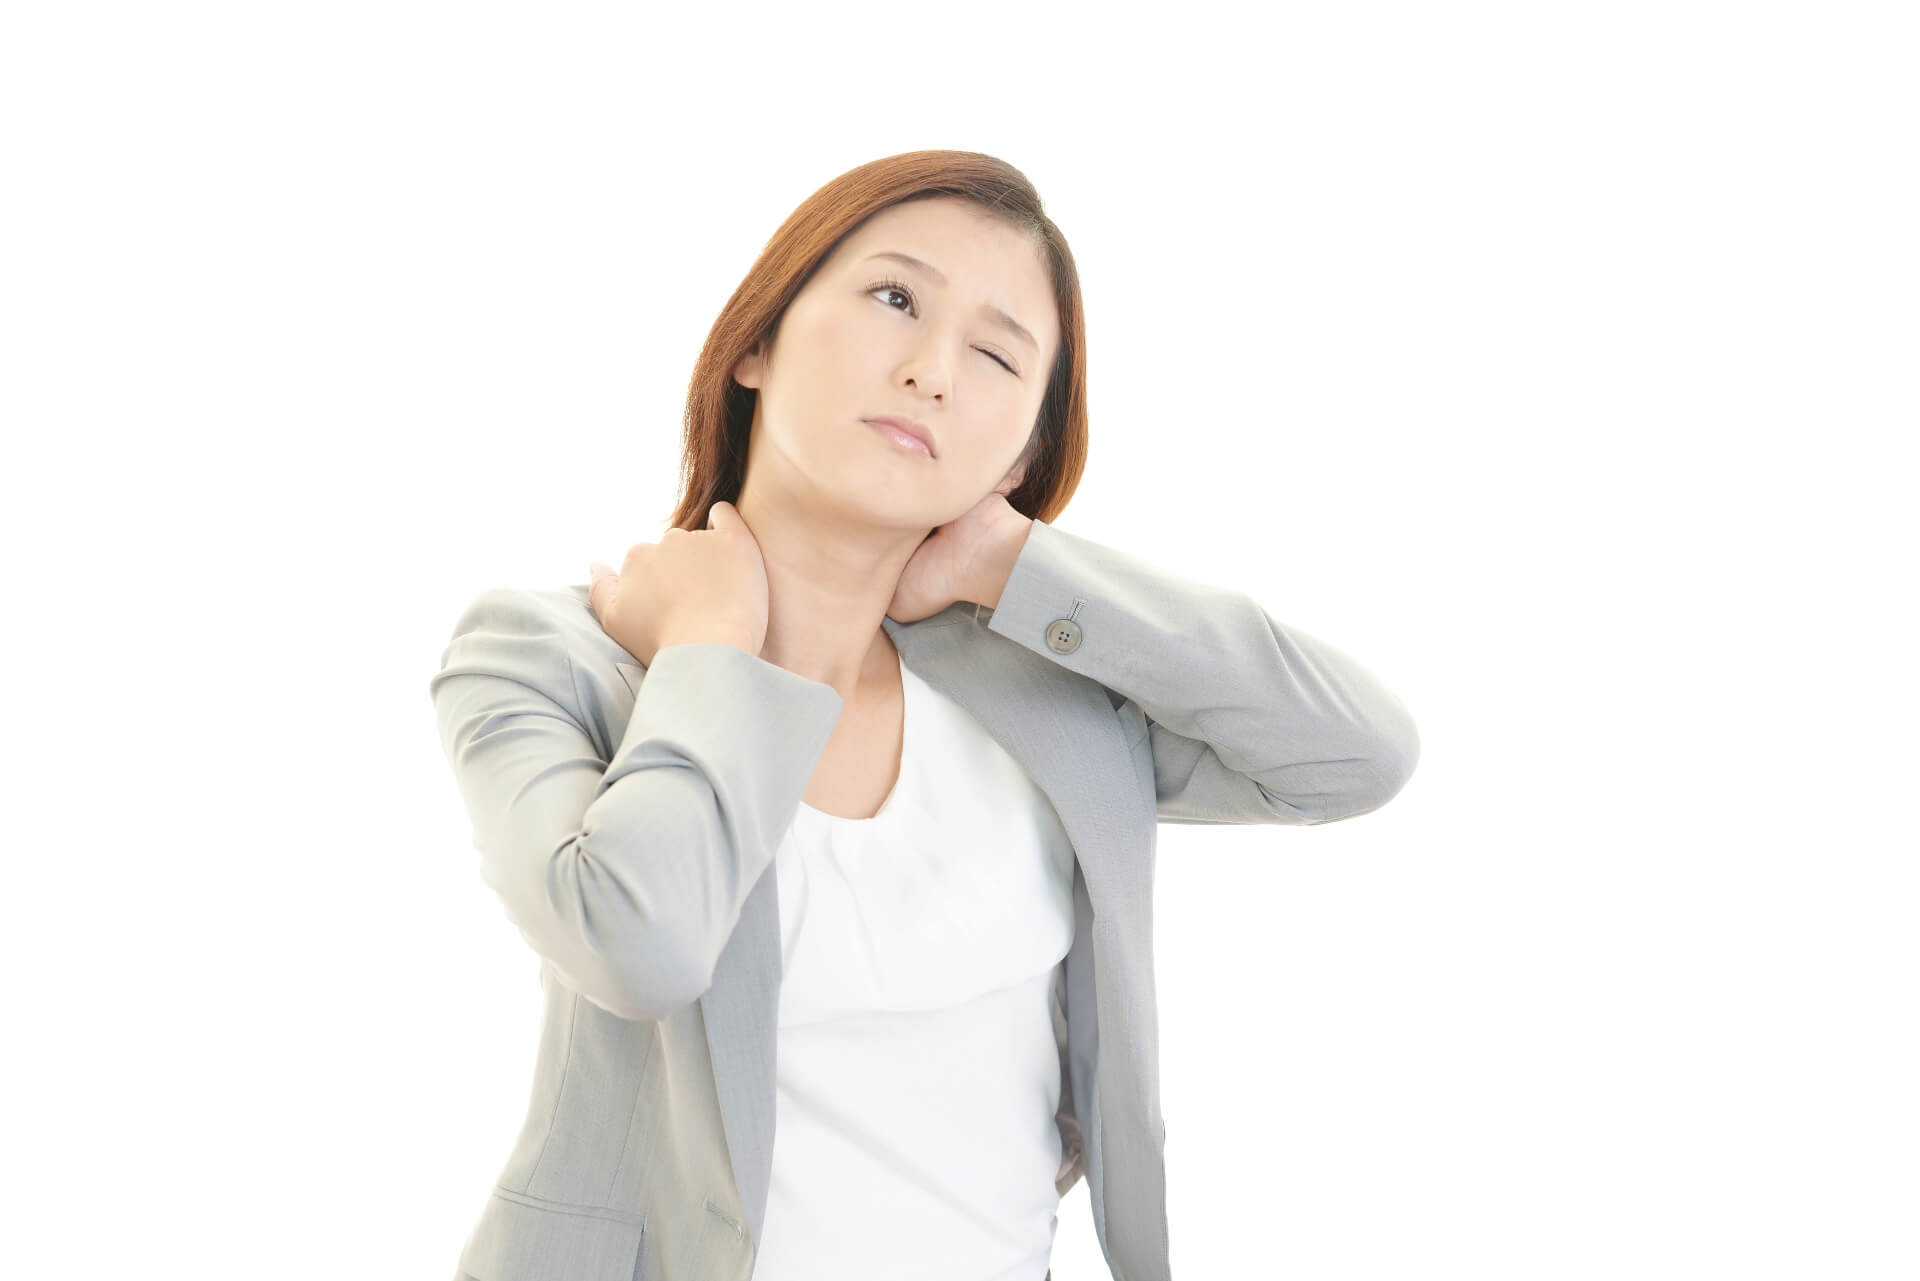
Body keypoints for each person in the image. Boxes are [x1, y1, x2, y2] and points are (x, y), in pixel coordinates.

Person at [430, 149, 1419, 1281]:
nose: (933, 371)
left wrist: (1021, 570)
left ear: (1024, 448)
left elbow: (1356, 755)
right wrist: (708, 644)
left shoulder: (1047, 705)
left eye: (997, 354)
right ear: (756, 342)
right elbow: (639, 947)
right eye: (895, 297)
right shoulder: (549, 657)